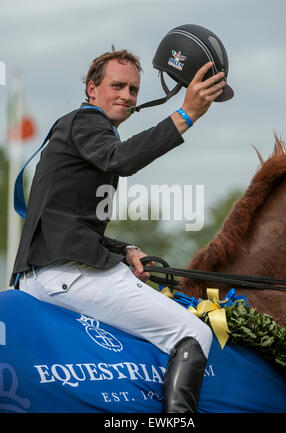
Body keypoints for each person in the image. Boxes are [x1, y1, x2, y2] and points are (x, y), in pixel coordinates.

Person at [10, 43, 228, 412]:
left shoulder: (85, 135)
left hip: (53, 271)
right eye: (118, 86)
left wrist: (124, 250)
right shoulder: (86, 121)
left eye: (134, 90)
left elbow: (71, 223)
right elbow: (121, 159)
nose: (127, 96)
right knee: (193, 331)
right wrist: (186, 114)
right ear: (92, 90)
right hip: (67, 275)